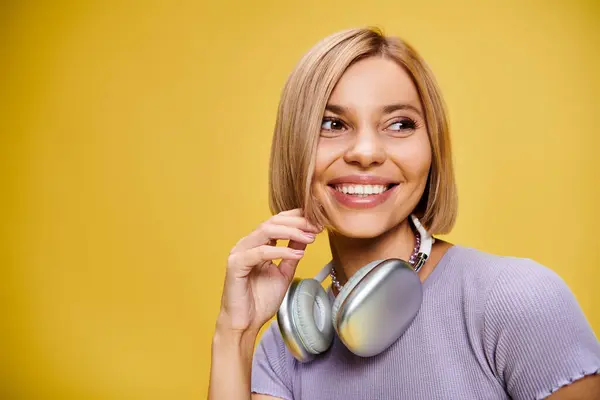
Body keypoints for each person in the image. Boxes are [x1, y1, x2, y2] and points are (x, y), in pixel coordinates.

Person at [208, 27, 600, 399]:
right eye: (332, 123)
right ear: (295, 148)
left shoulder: (516, 300)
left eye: (399, 124)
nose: (365, 152)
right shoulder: (284, 352)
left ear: (432, 150)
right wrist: (235, 333)